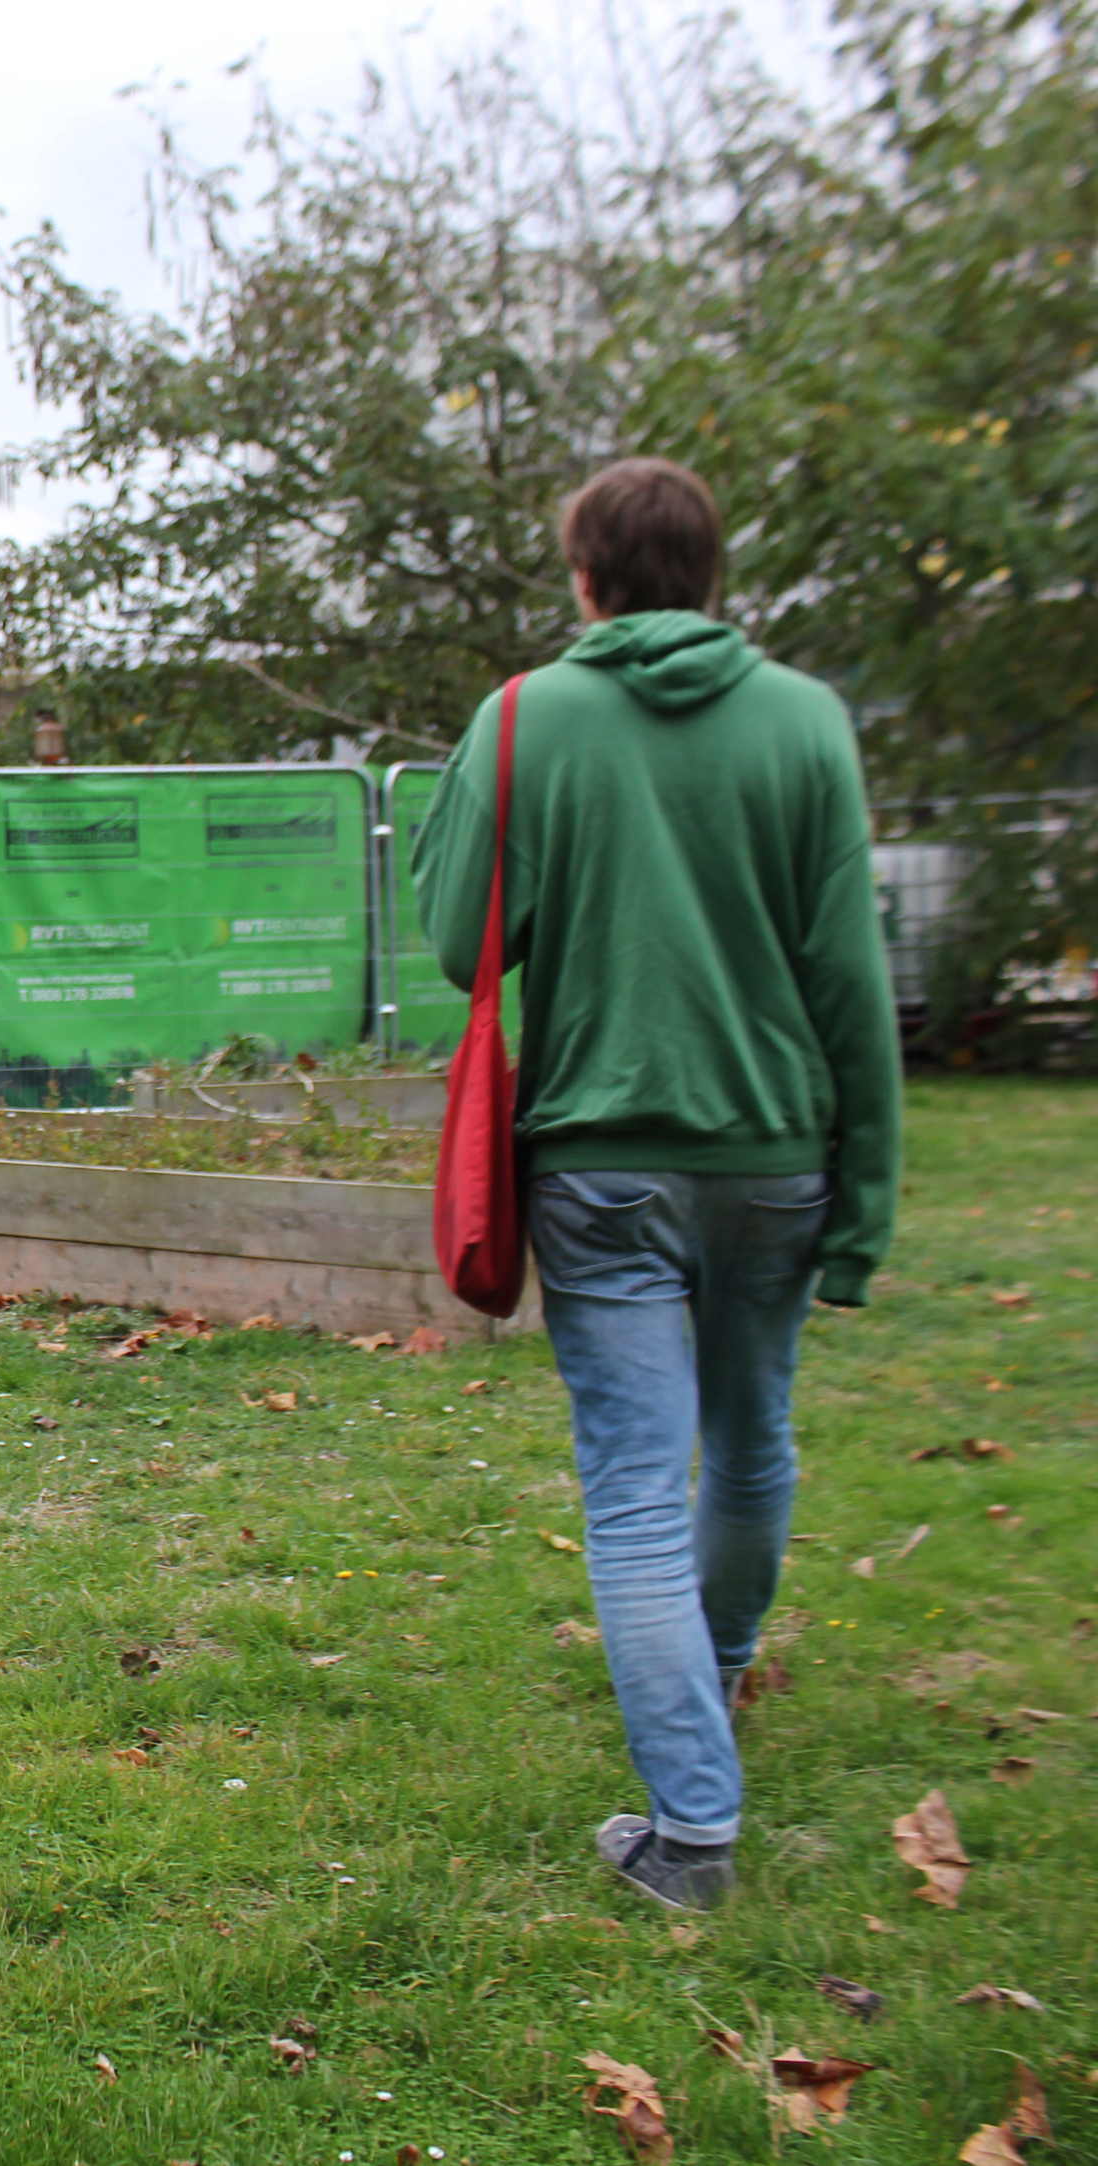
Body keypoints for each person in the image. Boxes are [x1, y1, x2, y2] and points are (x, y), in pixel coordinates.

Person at [411, 458, 901, 1913]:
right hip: (777, 1158)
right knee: (752, 1439)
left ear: (585, 579)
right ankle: (716, 1671)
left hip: (603, 1160)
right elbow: (851, 983)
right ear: (713, 573)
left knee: (634, 1487)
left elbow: (457, 944)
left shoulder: (524, 719)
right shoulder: (808, 722)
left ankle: (692, 1832)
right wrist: (864, 1207)